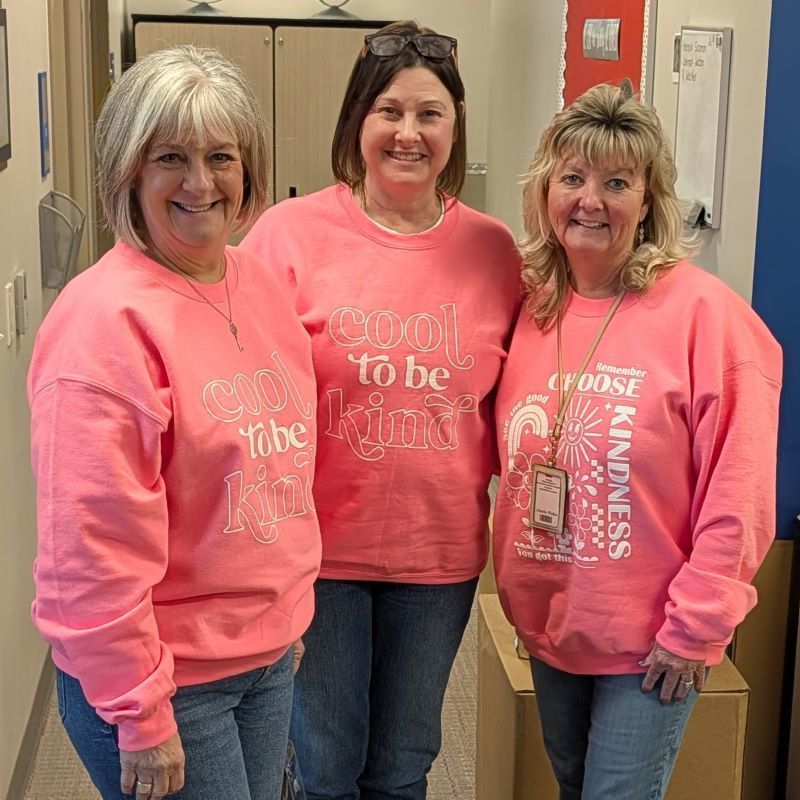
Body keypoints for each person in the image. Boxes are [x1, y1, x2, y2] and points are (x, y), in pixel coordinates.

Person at [28, 46, 321, 800]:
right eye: (170, 157)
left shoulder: (253, 281)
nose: (200, 183)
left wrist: (281, 616)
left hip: (263, 656)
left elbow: (277, 467)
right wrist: (140, 713)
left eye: (220, 156)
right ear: (128, 171)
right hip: (167, 683)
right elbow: (87, 553)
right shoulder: (102, 325)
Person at [241, 20, 521, 800]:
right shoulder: (286, 237)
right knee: (325, 764)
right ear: (357, 121)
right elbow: (234, 391)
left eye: (430, 114)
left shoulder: (497, 254)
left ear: (456, 125)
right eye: (388, 112)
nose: (408, 133)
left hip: (438, 558)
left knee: (403, 766)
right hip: (315, 556)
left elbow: (524, 404)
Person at [491, 79, 783, 800]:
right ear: (545, 191)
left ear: (648, 201)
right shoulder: (533, 309)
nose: (590, 199)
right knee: (570, 786)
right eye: (573, 178)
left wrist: (699, 624)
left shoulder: (706, 318)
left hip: (652, 638)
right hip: (553, 623)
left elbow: (738, 487)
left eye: (617, 181)